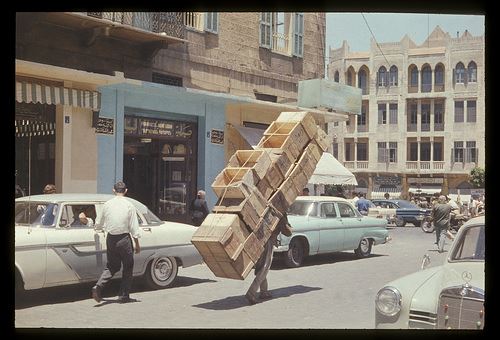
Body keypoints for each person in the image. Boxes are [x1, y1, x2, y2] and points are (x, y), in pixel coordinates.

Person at [92, 181, 141, 304]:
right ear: (125, 191)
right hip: (124, 239)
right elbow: (134, 227)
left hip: (111, 238)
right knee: (128, 266)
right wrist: (137, 243)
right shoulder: (129, 205)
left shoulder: (107, 204)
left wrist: (99, 228)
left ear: (113, 190)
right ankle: (124, 295)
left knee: (112, 266)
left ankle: (98, 285)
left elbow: (98, 223)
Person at [245, 213, 293, 305]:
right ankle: (251, 293)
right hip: (268, 241)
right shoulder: (280, 212)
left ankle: (264, 292)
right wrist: (289, 227)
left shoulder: (267, 208)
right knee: (265, 267)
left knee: (261, 266)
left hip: (258, 239)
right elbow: (287, 232)